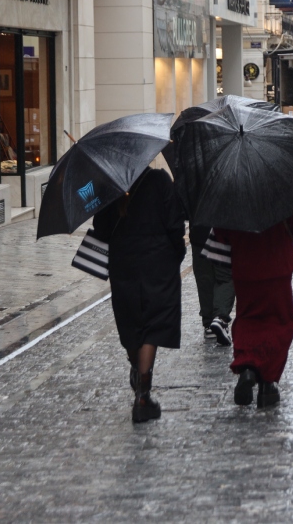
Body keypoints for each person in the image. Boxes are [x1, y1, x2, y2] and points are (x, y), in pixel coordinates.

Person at [92, 168, 187, 423]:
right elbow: (174, 224)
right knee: (152, 324)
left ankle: (138, 369)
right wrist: (176, 254)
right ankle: (143, 396)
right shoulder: (159, 180)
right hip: (159, 261)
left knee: (132, 320)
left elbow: (100, 229)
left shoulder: (108, 185)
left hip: (124, 263)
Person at [220, 210, 293, 409]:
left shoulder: (234, 187)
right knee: (280, 320)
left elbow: (221, 227)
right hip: (277, 259)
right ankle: (267, 384)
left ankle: (248, 366)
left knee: (247, 316)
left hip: (244, 261)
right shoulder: (281, 183)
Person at [189, 222, 236, 345]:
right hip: (223, 232)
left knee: (204, 278)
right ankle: (219, 317)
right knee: (225, 277)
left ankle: (209, 322)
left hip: (199, 231)